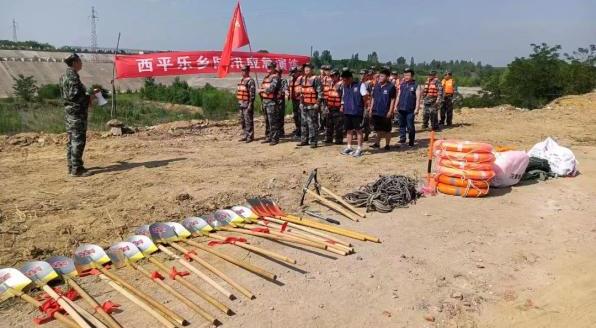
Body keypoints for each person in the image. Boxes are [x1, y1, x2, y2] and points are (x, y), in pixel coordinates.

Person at [60, 53, 93, 177]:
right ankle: (77, 169)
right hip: (77, 114)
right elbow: (75, 96)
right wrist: (89, 97)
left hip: (69, 113)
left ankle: (71, 165)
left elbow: (66, 96)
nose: (81, 63)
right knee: (78, 140)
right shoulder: (73, 77)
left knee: (71, 140)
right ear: (74, 63)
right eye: (80, 61)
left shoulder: (64, 76)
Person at [340, 70, 368, 157]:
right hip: (347, 111)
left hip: (357, 111)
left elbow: (365, 96)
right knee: (348, 130)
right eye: (343, 80)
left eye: (345, 80)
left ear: (350, 78)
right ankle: (349, 147)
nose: (344, 82)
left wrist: (363, 106)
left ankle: (359, 148)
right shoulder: (344, 86)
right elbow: (344, 97)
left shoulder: (360, 85)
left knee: (358, 130)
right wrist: (342, 105)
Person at [368, 68, 397, 150]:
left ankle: (387, 145)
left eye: (382, 76)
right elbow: (373, 98)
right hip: (376, 111)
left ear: (387, 77)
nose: (380, 77)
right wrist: (371, 109)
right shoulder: (376, 86)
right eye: (380, 76)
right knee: (378, 129)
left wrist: (390, 111)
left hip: (386, 111)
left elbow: (392, 99)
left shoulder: (391, 87)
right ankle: (377, 143)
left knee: (387, 129)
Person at [298, 63, 323, 148]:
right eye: (305, 69)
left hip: (312, 105)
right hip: (304, 105)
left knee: (312, 124)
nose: (306, 70)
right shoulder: (302, 79)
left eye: (308, 69)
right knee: (303, 123)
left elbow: (320, 93)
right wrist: (300, 103)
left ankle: (313, 141)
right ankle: (304, 140)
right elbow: (301, 92)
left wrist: (317, 103)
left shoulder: (316, 79)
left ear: (312, 70)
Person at [395, 68, 422, 147]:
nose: (406, 76)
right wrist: (395, 106)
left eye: (408, 75)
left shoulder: (416, 85)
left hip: (410, 109)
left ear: (412, 76)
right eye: (405, 75)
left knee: (410, 126)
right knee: (401, 125)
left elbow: (418, 98)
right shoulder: (402, 84)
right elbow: (398, 96)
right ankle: (402, 139)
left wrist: (417, 109)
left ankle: (411, 141)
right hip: (401, 108)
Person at [258, 62, 282, 145]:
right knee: (267, 121)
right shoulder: (266, 77)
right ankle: (268, 137)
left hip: (272, 102)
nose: (268, 68)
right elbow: (263, 88)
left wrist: (262, 90)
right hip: (265, 101)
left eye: (270, 67)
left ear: (274, 68)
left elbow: (272, 89)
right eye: (267, 67)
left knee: (272, 122)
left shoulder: (276, 77)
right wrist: (261, 92)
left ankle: (274, 138)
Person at [236, 65, 256, 143]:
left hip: (247, 103)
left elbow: (252, 94)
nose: (242, 72)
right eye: (241, 70)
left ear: (248, 71)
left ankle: (250, 136)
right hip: (241, 103)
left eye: (244, 70)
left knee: (248, 120)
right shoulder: (241, 80)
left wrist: (250, 104)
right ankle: (245, 134)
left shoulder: (250, 81)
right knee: (243, 120)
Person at [324, 69, 344, 144]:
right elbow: (327, 95)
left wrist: (342, 105)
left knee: (338, 125)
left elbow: (343, 96)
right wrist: (326, 106)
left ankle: (338, 140)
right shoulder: (330, 83)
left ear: (338, 76)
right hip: (330, 106)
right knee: (329, 124)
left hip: (338, 107)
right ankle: (329, 138)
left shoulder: (341, 84)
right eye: (331, 76)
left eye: (333, 76)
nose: (332, 77)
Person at [288, 66, 303, 138]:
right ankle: (298, 129)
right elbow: (289, 88)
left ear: (297, 72)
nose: (292, 75)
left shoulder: (302, 79)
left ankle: (301, 132)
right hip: (294, 100)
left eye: (293, 74)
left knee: (300, 117)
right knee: (296, 116)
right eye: (291, 74)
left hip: (300, 101)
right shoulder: (292, 79)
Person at [320, 64, 332, 133]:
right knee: (323, 114)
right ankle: (325, 127)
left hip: (330, 99)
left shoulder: (332, 79)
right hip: (323, 99)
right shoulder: (323, 79)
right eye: (326, 70)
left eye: (328, 70)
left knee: (328, 114)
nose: (327, 72)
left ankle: (328, 128)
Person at [277, 67, 287, 137]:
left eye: (278, 73)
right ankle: (276, 131)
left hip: (280, 101)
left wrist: (282, 92)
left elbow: (285, 89)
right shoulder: (273, 80)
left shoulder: (283, 80)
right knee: (275, 117)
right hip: (274, 101)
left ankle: (281, 131)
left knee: (280, 116)